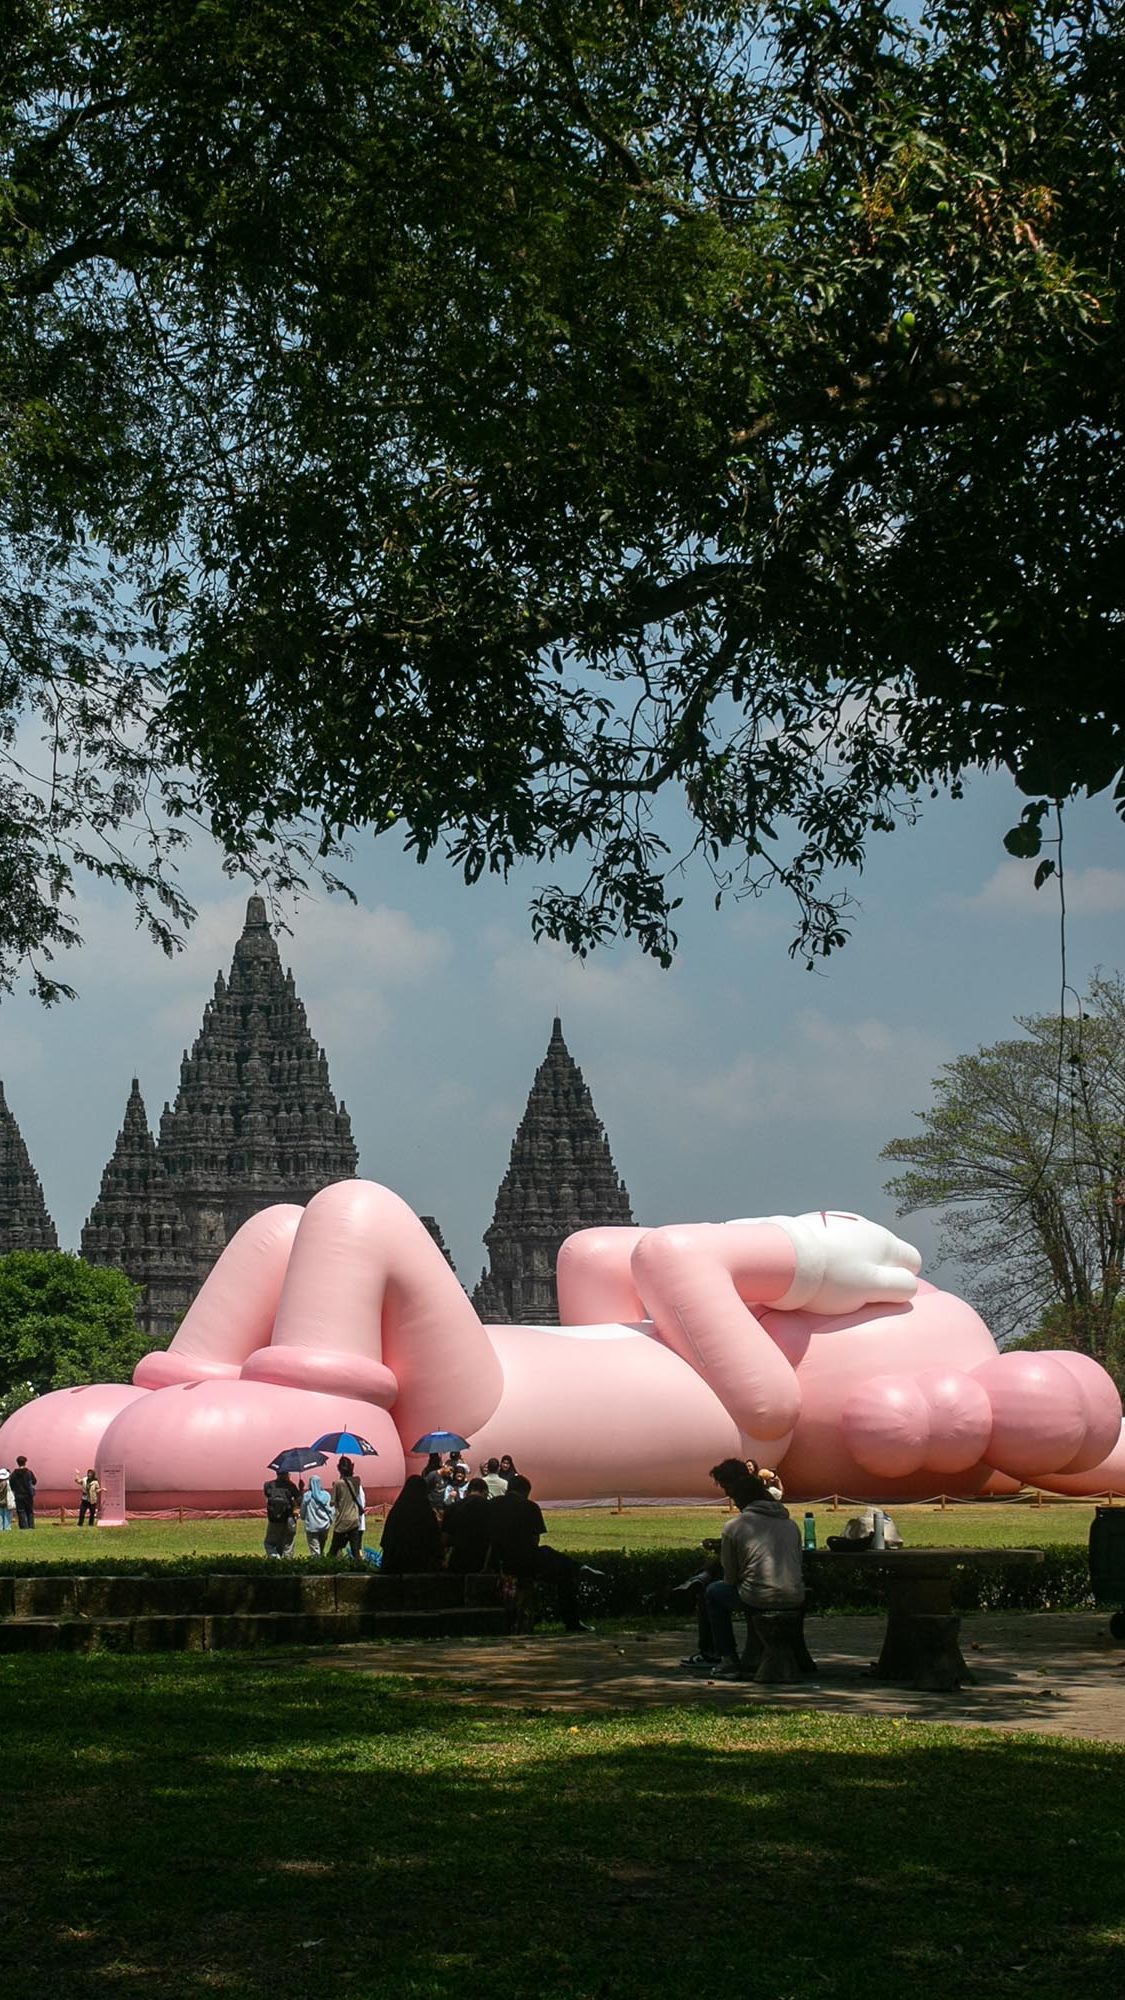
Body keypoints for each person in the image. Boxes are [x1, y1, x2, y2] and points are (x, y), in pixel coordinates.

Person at [702, 1464, 805, 1679]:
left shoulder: (734, 1526)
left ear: (740, 1501)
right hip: (795, 1595)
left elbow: (729, 1577)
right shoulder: (791, 1525)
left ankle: (728, 1659)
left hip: (756, 1596)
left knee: (714, 1592)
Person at [488, 1476, 591, 1632]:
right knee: (561, 1570)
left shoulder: (493, 1505)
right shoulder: (530, 1507)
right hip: (525, 1561)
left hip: (500, 1559)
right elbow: (534, 1539)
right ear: (525, 1491)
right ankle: (572, 1620)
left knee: (547, 1553)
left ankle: (578, 1567)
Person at [379, 1474, 446, 1572]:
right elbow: (434, 1541)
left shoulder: (398, 1511)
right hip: (422, 1566)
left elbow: (387, 1540)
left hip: (396, 1566)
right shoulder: (426, 1513)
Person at [444, 1476, 494, 1574]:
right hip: (481, 1559)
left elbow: (445, 1538)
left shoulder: (453, 1508)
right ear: (485, 1492)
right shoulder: (492, 1509)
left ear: (467, 1492)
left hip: (457, 1558)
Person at [328, 1456, 365, 1560]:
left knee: (333, 1550)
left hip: (342, 1521)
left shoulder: (337, 1483)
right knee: (355, 1550)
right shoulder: (357, 1481)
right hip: (354, 1520)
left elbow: (332, 1503)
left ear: (339, 1468)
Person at [262, 1466, 300, 1557]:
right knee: (288, 1543)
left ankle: (275, 1558)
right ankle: (287, 1562)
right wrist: (300, 1489)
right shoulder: (291, 1486)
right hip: (289, 1518)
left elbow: (267, 1495)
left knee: (269, 1543)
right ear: (286, 1474)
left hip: (274, 1518)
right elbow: (299, 1500)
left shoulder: (268, 1485)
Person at [300, 1473, 334, 1557]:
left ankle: (317, 1564)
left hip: (312, 1527)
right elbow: (331, 1510)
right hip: (324, 1526)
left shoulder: (307, 1496)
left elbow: (303, 1512)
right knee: (322, 1547)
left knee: (315, 1549)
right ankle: (321, 1561)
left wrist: (303, 1517)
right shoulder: (326, 1495)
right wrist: (330, 1520)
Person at [11, 1456, 36, 1530]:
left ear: (17, 1463)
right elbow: (34, 1482)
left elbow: (11, 1484)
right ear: (25, 1462)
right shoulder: (29, 1472)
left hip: (18, 1495)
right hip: (28, 1495)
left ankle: (23, 1527)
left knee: (21, 1511)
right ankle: (30, 1526)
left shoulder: (14, 1474)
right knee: (29, 1511)